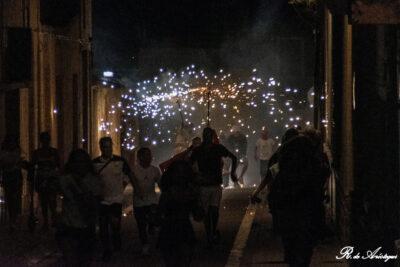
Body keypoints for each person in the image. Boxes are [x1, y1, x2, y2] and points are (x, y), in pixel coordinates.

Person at [268, 135, 330, 266]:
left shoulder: (285, 173)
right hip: (308, 217)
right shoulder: (313, 169)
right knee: (305, 251)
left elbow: (274, 195)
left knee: (292, 251)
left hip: (289, 218)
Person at [93, 137, 139, 262]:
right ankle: (106, 250)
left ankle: (116, 240)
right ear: (101, 147)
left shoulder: (120, 161)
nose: (107, 149)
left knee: (115, 224)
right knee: (103, 226)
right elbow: (92, 181)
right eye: (105, 147)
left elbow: (129, 175)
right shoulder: (95, 163)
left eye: (109, 146)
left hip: (116, 199)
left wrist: (132, 187)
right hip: (102, 200)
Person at [191, 127, 238, 247]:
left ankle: (212, 232)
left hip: (215, 184)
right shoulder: (199, 150)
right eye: (205, 134)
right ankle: (209, 234)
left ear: (211, 136)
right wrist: (195, 176)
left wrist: (233, 172)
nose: (207, 137)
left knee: (214, 211)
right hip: (204, 185)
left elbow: (234, 157)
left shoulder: (217, 148)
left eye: (208, 134)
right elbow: (189, 163)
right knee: (207, 212)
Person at [57, 149, 102, 266]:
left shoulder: (92, 179)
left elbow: (96, 200)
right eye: (77, 162)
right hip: (69, 224)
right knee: (71, 260)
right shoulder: (66, 179)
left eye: (82, 162)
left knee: (84, 260)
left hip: (86, 225)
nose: (80, 165)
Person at [158, 160, 203, 267]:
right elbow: (198, 216)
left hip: (169, 231)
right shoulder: (189, 193)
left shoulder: (167, 194)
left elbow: (158, 216)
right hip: (183, 230)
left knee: (173, 261)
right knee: (183, 260)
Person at [251, 128, 299, 203]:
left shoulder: (283, 152)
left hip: (287, 191)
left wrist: (256, 192)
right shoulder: (306, 151)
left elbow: (270, 174)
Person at [132, 147, 161, 255]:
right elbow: (127, 182)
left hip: (152, 201)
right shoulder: (134, 170)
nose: (149, 157)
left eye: (150, 155)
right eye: (146, 155)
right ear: (140, 157)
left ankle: (152, 227)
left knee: (153, 221)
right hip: (139, 202)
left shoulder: (154, 170)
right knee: (141, 225)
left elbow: (160, 183)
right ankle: (145, 244)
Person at [31, 131, 61, 230]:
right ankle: (47, 220)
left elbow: (58, 165)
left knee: (51, 200)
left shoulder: (52, 152)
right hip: (42, 179)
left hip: (51, 179)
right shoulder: (38, 152)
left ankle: (52, 219)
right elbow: (33, 165)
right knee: (44, 201)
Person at [0, 135, 28, 232]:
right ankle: (12, 218)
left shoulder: (18, 151)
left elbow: (21, 161)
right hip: (8, 175)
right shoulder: (3, 152)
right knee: (9, 197)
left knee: (15, 196)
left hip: (15, 176)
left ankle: (14, 217)